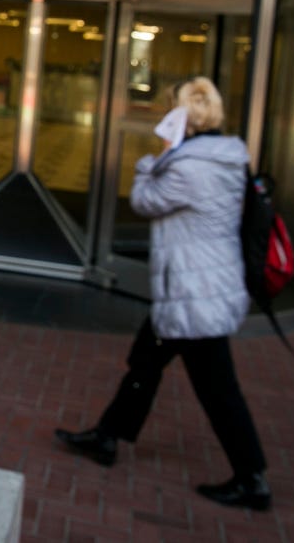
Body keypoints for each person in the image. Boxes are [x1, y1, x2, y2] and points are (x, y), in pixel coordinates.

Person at [53, 76, 271, 511]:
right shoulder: (227, 157)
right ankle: (107, 435)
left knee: (218, 390)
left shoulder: (190, 166)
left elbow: (144, 200)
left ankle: (252, 479)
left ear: (182, 116)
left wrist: (155, 158)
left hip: (195, 296)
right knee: (145, 362)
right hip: (195, 288)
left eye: (171, 109)